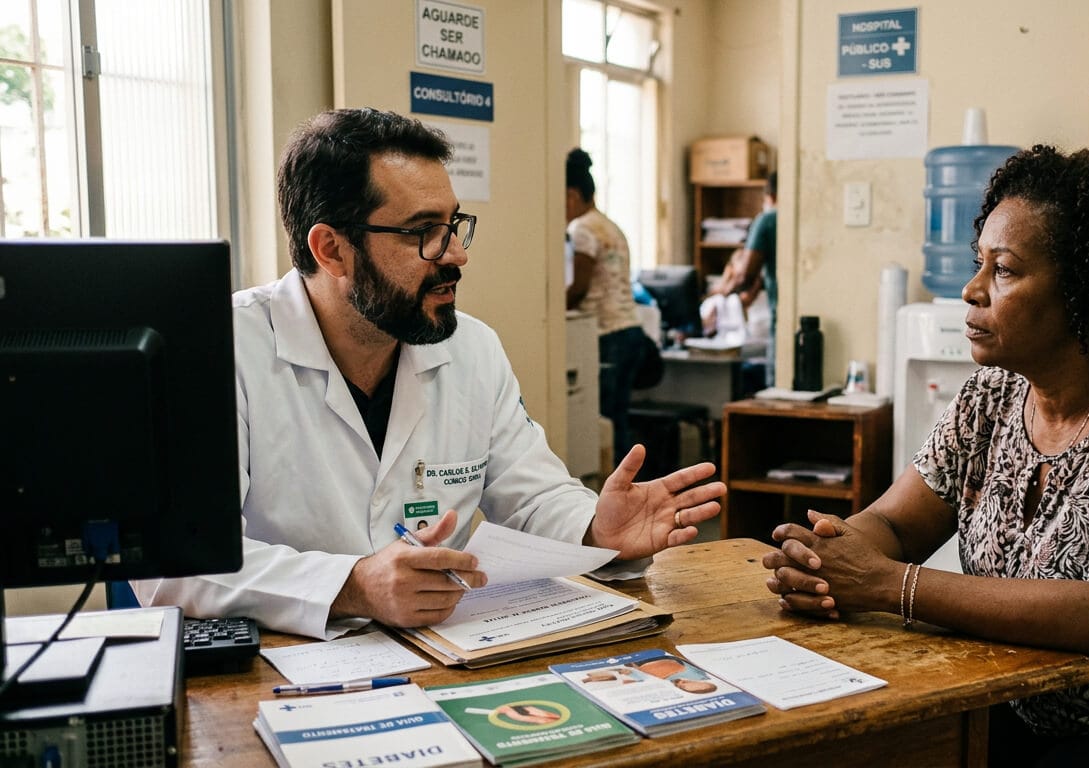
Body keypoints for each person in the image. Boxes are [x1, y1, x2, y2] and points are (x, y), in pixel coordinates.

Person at [764, 146, 1089, 767]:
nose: (971, 290)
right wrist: (826, 557)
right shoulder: (990, 397)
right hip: (1027, 710)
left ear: (1087, 291)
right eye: (978, 263)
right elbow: (893, 524)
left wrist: (892, 586)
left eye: (1005, 271)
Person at [133, 108, 723, 639]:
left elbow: (534, 493)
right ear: (331, 249)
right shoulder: (221, 351)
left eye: (453, 226)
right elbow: (172, 567)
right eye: (423, 233)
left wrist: (598, 530)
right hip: (270, 678)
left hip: (443, 660)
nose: (456, 255)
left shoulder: (472, 349)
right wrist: (354, 585)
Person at [564, 148, 651, 464]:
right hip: (629, 330)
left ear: (572, 195)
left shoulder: (582, 228)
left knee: (604, 423)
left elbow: (580, 287)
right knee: (618, 419)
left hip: (605, 335)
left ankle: (612, 491)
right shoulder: (609, 225)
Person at [714, 170, 777, 383]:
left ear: (771, 196)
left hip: (780, 316)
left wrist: (719, 294)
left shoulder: (767, 220)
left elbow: (745, 276)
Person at [699, 249, 770, 345]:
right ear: (731, 270)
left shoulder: (766, 298)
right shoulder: (717, 301)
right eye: (741, 261)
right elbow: (703, 329)